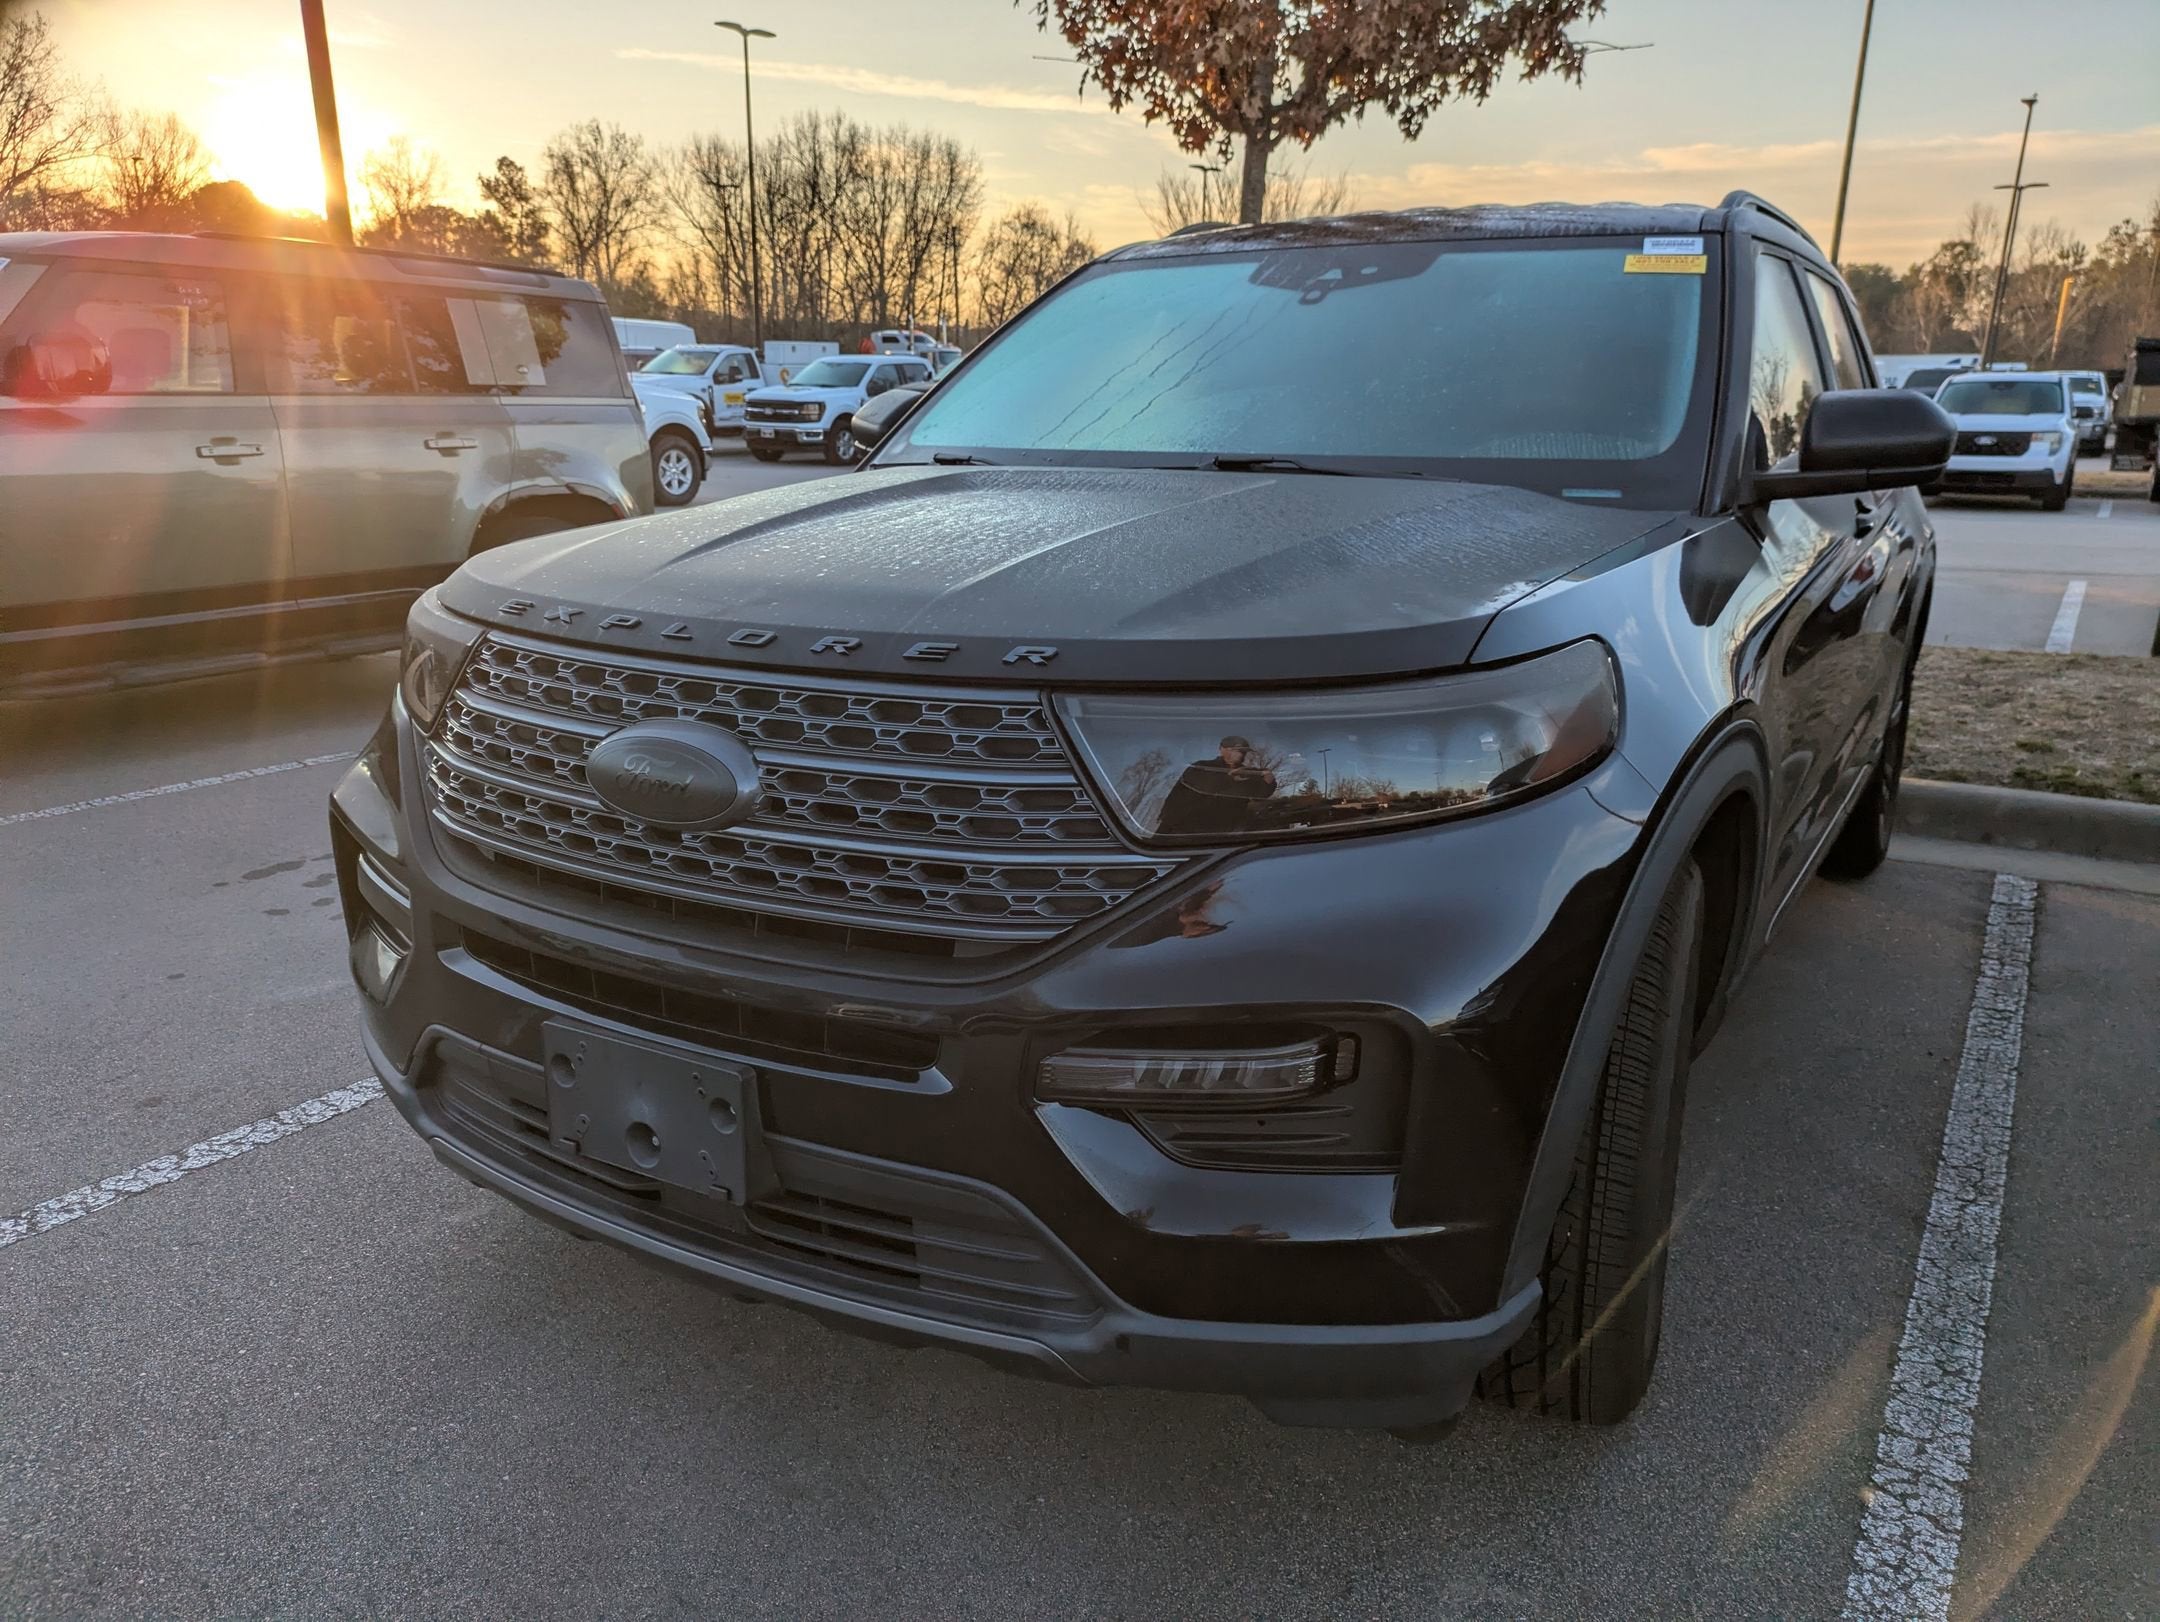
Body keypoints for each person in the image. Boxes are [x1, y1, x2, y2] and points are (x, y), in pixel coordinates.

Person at [1155, 735, 1278, 836]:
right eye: (1235, 750)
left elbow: (1260, 795)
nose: (1240, 755)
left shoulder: (1249, 774)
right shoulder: (1202, 767)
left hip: (1223, 835)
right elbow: (1200, 788)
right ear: (1222, 749)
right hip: (1181, 831)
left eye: (1243, 752)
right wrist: (1230, 777)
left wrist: (1269, 781)